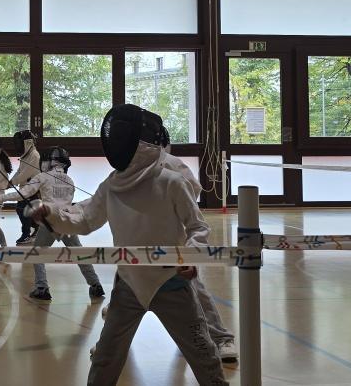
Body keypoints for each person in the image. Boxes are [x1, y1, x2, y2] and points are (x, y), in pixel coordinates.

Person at [31, 104, 227, 386]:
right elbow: (84, 221)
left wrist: (191, 256)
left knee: (203, 354)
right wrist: (51, 213)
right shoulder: (111, 186)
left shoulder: (171, 182)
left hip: (170, 283)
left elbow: (198, 227)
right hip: (129, 285)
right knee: (106, 357)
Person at [159, 128, 238, 363]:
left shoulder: (171, 163)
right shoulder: (128, 166)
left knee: (193, 288)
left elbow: (193, 189)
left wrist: (170, 203)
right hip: (140, 242)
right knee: (128, 288)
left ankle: (222, 338)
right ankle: (108, 344)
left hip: (173, 240)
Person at [1, 146, 104, 301]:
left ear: (49, 161)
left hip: (49, 221)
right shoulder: (70, 180)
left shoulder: (42, 176)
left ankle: (41, 287)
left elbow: (23, 194)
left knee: (37, 253)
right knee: (80, 254)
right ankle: (95, 285)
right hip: (67, 222)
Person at [11, 130, 41, 245]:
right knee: (24, 210)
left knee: (22, 210)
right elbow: (20, 171)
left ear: (27, 143)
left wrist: (12, 182)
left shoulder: (34, 155)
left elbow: (25, 174)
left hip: (33, 189)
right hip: (25, 188)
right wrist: (11, 181)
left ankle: (26, 234)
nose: (18, 146)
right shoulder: (26, 155)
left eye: (19, 143)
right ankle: (36, 228)